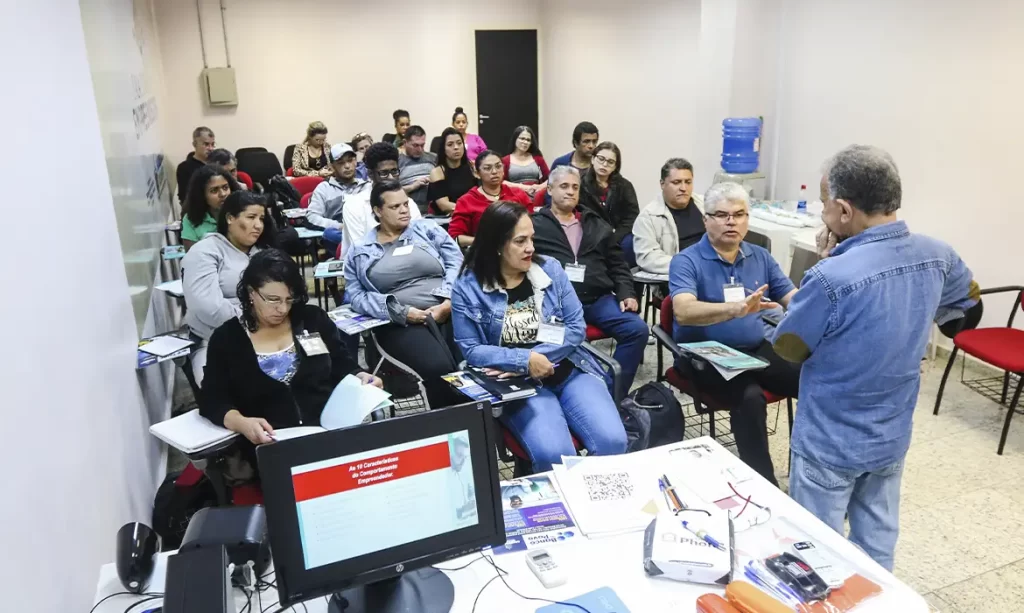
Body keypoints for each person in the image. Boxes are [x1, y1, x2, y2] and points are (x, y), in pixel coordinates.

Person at [772, 145, 979, 571]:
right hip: (891, 432)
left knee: (817, 553)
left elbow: (789, 347)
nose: (822, 210)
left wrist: (827, 261)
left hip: (830, 439)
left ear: (844, 210)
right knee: (877, 545)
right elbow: (965, 316)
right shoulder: (938, 252)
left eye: (825, 202)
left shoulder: (831, 276)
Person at [451, 201, 627, 473]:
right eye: (520, 241)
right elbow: (471, 350)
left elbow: (575, 328)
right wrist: (524, 360)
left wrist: (540, 357)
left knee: (613, 441)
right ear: (497, 244)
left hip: (568, 370)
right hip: (517, 384)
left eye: (531, 238)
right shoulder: (468, 286)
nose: (531, 248)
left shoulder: (551, 270)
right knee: (555, 455)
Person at [669, 182, 799, 486]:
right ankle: (765, 486)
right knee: (750, 397)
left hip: (754, 348)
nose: (732, 222)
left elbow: (792, 296)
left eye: (739, 214)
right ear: (706, 220)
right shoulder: (687, 260)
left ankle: (814, 474)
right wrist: (734, 310)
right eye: (722, 215)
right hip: (706, 356)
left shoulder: (760, 257)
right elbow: (683, 311)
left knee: (813, 380)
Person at [201, 249, 382, 448]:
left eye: (289, 299)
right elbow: (212, 400)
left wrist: (360, 376)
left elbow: (341, 362)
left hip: (328, 432)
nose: (283, 309)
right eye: (273, 300)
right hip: (268, 444)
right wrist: (242, 423)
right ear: (251, 292)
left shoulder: (312, 319)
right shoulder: (227, 338)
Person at [345, 181, 465, 406]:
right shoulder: (360, 250)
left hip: (448, 307)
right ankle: (454, 424)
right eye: (395, 206)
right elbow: (356, 295)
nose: (404, 210)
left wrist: (448, 300)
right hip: (402, 322)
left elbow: (456, 261)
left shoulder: (427, 230)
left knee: (471, 359)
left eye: (406, 204)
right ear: (377, 211)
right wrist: (399, 312)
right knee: (439, 368)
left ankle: (485, 419)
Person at [532, 166, 648, 393]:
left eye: (575, 187)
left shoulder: (596, 224)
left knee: (637, 329)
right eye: (564, 186)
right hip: (555, 303)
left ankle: (611, 393)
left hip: (596, 298)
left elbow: (618, 264)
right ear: (550, 189)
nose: (570, 192)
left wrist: (627, 293)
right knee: (549, 339)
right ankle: (565, 393)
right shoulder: (534, 225)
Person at [183, 191, 278, 384]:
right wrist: (256, 324)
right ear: (230, 218)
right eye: (251, 217)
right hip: (216, 341)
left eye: (261, 218)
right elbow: (208, 307)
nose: (258, 225)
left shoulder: (264, 253)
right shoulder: (205, 251)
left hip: (270, 336)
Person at [343, 142, 423, 255]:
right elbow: (361, 253)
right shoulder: (354, 206)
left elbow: (420, 242)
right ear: (370, 174)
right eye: (384, 173)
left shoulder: (409, 203)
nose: (391, 178)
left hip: (407, 263)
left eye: (394, 171)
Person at [634, 158, 705, 275]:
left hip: (714, 271)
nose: (683, 188)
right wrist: (690, 265)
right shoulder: (648, 217)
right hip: (679, 277)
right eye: (676, 182)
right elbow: (648, 258)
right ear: (662, 184)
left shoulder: (706, 204)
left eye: (688, 182)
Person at [449, 150, 533, 248]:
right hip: (484, 252)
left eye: (498, 166)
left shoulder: (518, 194)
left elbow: (533, 223)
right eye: (487, 168)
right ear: (477, 173)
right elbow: (455, 237)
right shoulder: (466, 201)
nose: (494, 172)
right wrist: (486, 241)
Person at [307, 143, 370, 256]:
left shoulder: (366, 186)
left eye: (350, 161)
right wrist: (338, 226)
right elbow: (312, 217)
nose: (347, 166)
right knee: (329, 233)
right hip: (340, 235)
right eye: (341, 163)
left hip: (363, 230)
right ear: (332, 167)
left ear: (356, 162)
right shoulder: (324, 188)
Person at [579, 141, 639, 257]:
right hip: (590, 233)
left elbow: (632, 216)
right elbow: (580, 213)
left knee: (631, 243)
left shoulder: (625, 186)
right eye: (601, 159)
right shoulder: (581, 184)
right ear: (592, 159)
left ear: (615, 167)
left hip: (617, 234)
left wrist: (615, 236)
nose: (604, 164)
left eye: (610, 162)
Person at [181, 165, 241, 250]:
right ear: (202, 195)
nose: (223, 194)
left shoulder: (243, 211)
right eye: (214, 190)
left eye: (225, 187)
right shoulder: (191, 219)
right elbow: (192, 256)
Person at [427, 127, 476, 215]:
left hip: (471, 214)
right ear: (443, 149)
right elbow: (444, 205)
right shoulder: (438, 172)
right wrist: (471, 209)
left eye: (459, 143)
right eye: (450, 144)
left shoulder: (471, 167)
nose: (456, 147)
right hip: (448, 218)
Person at [397, 125, 436, 215]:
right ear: (405, 142)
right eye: (415, 145)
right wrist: (413, 186)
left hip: (434, 212)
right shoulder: (397, 162)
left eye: (422, 145)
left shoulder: (434, 158)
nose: (419, 149)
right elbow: (391, 193)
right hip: (408, 213)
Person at [503, 125, 549, 196]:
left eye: (528, 140)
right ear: (515, 139)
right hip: (515, 196)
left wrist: (540, 187)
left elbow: (551, 179)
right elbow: (501, 182)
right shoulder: (506, 160)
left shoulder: (538, 158)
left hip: (537, 195)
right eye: (522, 138)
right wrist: (523, 187)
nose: (525, 142)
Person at [176, 126, 215, 203]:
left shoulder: (217, 163)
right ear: (195, 144)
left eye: (212, 144)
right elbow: (184, 197)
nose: (211, 148)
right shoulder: (184, 168)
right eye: (206, 144)